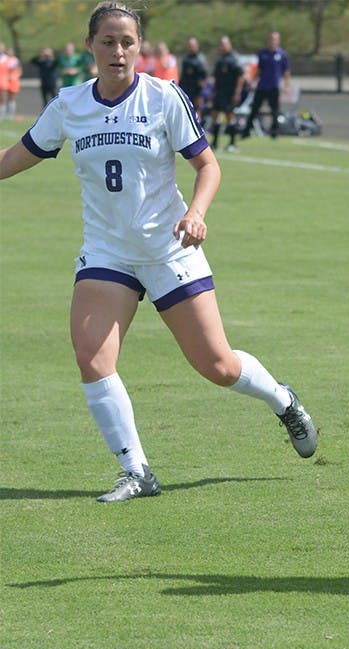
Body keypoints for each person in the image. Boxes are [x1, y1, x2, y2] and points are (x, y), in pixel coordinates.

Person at [0, 2, 317, 503]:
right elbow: (15, 159)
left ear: (139, 47)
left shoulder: (164, 96)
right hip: (107, 253)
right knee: (92, 357)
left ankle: (282, 400)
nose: (118, 51)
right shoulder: (68, 104)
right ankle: (137, 471)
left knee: (217, 367)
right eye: (108, 41)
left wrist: (196, 213)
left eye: (127, 42)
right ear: (90, 47)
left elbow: (208, 166)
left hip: (169, 250)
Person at [242, 30, 290, 140]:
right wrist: (253, 81)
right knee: (254, 109)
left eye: (275, 39)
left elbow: (286, 71)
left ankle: (275, 132)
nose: (272, 41)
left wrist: (286, 85)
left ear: (278, 41)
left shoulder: (281, 54)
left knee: (275, 111)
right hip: (262, 86)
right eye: (271, 39)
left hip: (274, 87)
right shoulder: (262, 54)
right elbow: (258, 70)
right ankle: (246, 131)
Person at [208, 35, 245, 152]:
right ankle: (214, 142)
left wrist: (237, 92)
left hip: (229, 93)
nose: (222, 47)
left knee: (230, 116)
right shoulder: (220, 59)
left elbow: (240, 76)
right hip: (219, 92)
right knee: (215, 115)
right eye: (221, 44)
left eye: (224, 44)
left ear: (230, 45)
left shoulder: (234, 58)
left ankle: (233, 143)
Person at [178, 36, 208, 112]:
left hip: (196, 90)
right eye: (189, 46)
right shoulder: (185, 58)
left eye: (192, 46)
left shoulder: (200, 59)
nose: (190, 48)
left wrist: (200, 93)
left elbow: (204, 76)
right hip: (186, 88)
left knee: (196, 110)